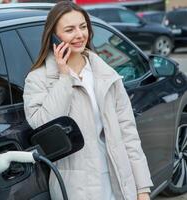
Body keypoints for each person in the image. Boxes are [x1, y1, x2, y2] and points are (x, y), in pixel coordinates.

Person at [23, 1, 153, 200]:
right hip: (78, 188)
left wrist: (142, 188)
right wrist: (64, 77)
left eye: (83, 27)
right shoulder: (38, 79)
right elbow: (41, 123)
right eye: (69, 29)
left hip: (118, 181)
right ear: (54, 36)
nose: (79, 34)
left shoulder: (106, 74)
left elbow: (129, 135)